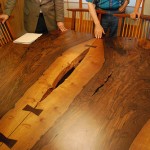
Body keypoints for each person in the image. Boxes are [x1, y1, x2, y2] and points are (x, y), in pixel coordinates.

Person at [0, 0, 67, 34]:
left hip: (50, 17)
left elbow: (59, 2)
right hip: (31, 18)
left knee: (51, 43)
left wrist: (60, 20)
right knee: (34, 45)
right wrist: (6, 13)